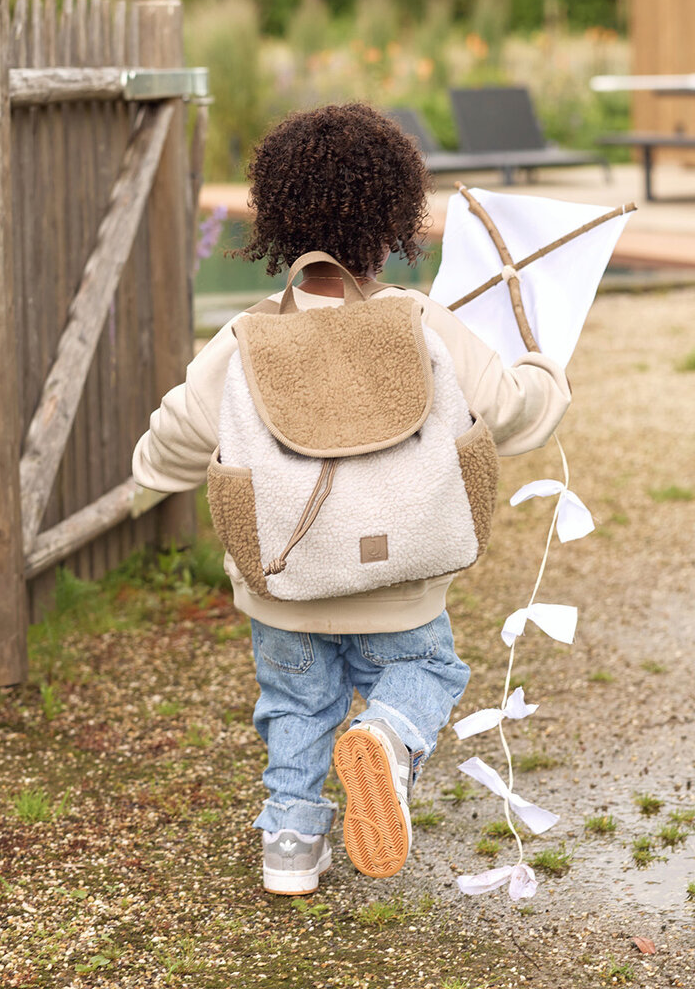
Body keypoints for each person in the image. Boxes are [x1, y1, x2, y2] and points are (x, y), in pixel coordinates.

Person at [131, 103, 571, 896]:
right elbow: (512, 411)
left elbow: (179, 431)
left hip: (287, 585)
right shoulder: (421, 323)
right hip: (402, 586)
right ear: (395, 221)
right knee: (428, 670)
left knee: (294, 708)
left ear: (277, 221)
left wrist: (146, 474)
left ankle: (292, 844)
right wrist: (547, 371)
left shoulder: (245, 340)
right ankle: (388, 737)